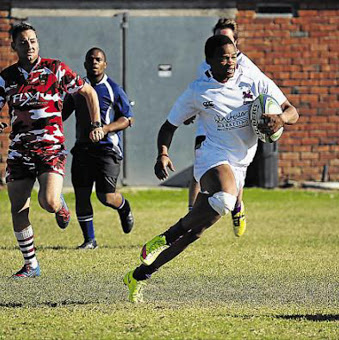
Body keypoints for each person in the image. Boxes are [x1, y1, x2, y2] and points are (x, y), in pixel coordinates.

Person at [123, 35, 299, 303]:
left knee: (195, 232)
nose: (230, 62)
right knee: (227, 198)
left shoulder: (252, 78)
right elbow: (168, 126)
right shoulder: (198, 91)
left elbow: (291, 110)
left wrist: (280, 119)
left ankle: (138, 276)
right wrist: (163, 153)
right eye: (223, 58)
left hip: (241, 161)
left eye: (233, 56)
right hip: (212, 154)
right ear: (209, 61)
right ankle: (166, 235)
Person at [0, 23, 103, 278]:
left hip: (50, 148)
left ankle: (59, 204)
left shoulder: (55, 69)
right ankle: (31, 264)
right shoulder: (7, 77)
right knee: (18, 207)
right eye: (24, 42)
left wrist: (95, 123)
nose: (30, 46)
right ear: (14, 46)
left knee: (47, 202)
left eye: (33, 41)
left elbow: (88, 92)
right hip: (19, 151)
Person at [187, 18, 262, 238]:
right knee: (199, 167)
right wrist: (190, 112)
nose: (223, 42)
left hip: (237, 127)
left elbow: (261, 92)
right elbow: (199, 94)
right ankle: (192, 214)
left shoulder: (246, 66)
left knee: (235, 178)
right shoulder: (206, 65)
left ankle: (237, 207)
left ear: (236, 42)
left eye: (228, 38)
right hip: (209, 124)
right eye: (219, 37)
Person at [62, 47, 135, 249]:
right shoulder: (77, 89)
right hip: (83, 148)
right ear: (85, 64)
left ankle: (124, 206)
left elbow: (128, 119)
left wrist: (106, 129)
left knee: (106, 196)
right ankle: (89, 240)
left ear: (105, 64)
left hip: (107, 150)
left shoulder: (113, 89)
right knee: (82, 193)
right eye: (90, 59)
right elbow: (61, 114)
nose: (94, 62)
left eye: (98, 59)